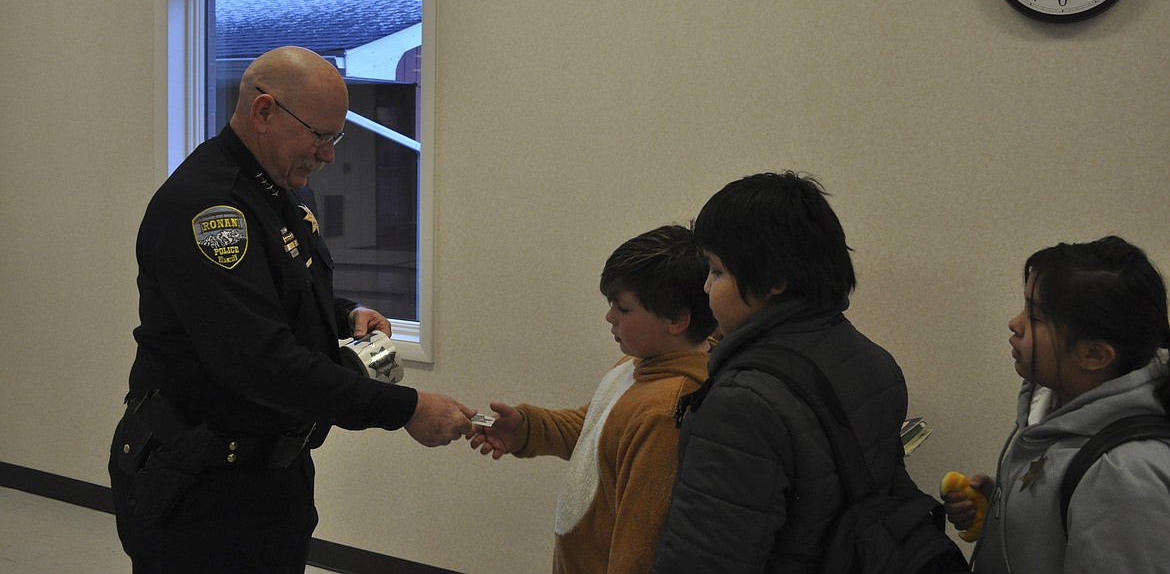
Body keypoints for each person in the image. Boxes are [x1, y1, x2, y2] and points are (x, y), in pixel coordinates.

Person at [108, 46, 477, 574]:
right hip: (201, 488)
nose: (328, 154)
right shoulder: (211, 209)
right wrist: (408, 409)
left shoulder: (272, 191)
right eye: (320, 135)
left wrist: (342, 314)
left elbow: (277, 292)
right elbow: (261, 360)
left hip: (265, 477)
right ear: (263, 112)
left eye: (336, 138)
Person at [653, 171, 909, 574]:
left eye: (717, 271)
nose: (705, 287)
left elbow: (702, 560)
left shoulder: (742, 404)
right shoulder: (874, 361)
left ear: (773, 280)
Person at [468, 224, 717, 574]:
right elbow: (595, 432)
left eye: (624, 309)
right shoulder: (637, 364)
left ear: (676, 319)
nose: (609, 316)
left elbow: (639, 545)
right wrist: (525, 428)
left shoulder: (664, 413)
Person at [942, 236, 1170, 574]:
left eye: (1035, 316)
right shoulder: (1057, 414)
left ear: (1094, 354)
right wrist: (1007, 510)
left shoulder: (1124, 477)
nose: (1015, 323)